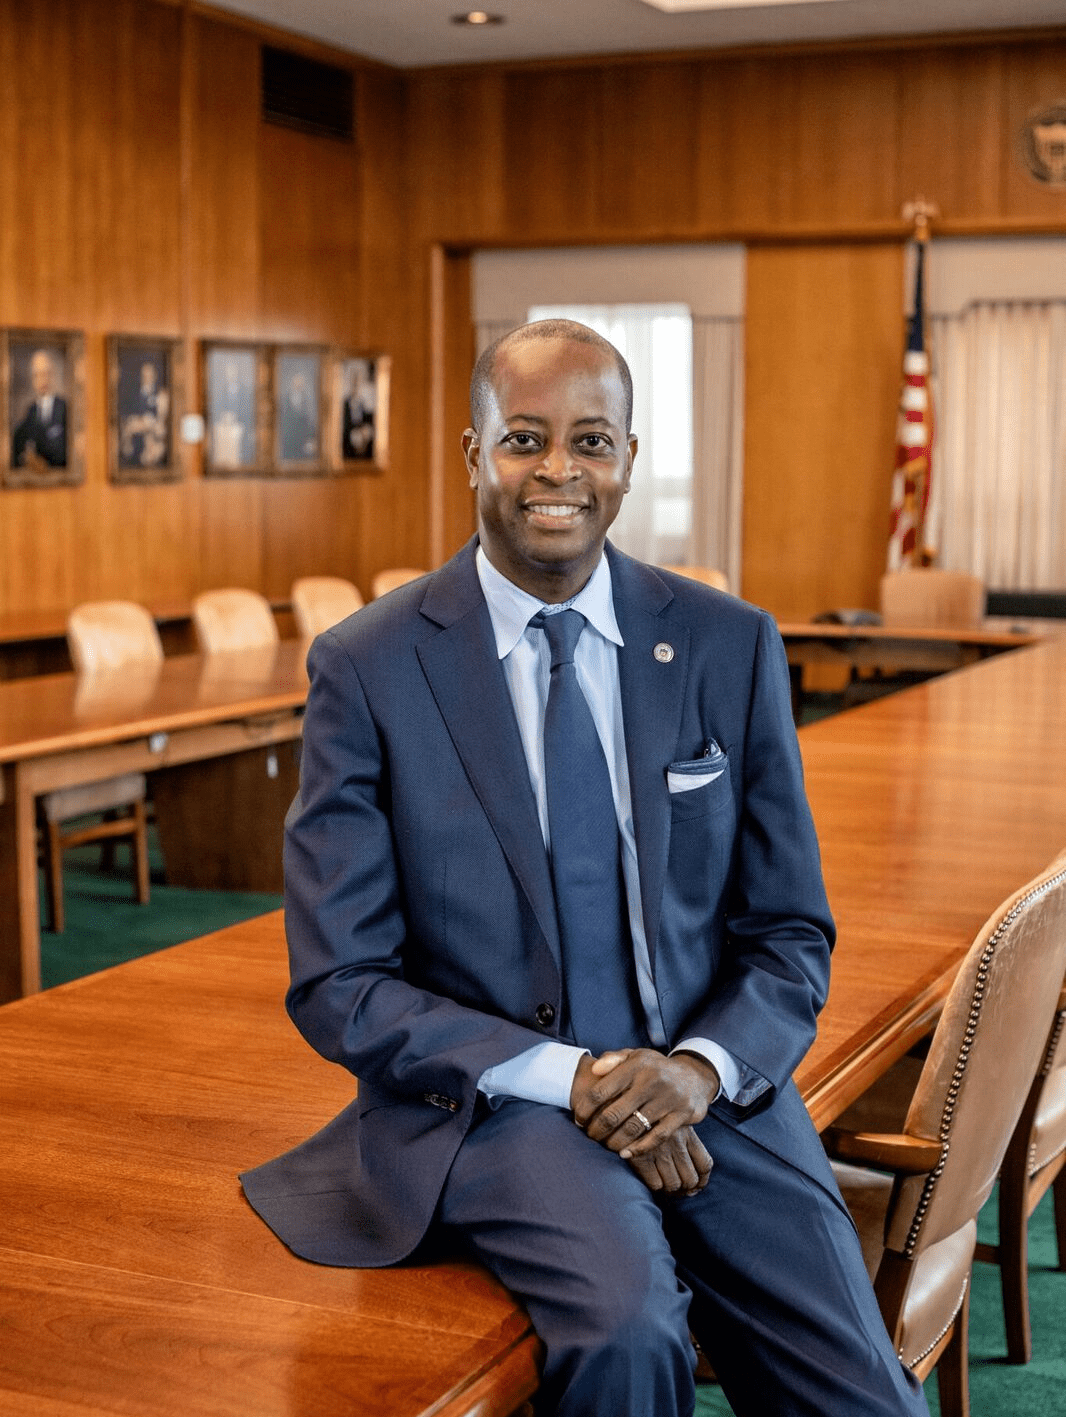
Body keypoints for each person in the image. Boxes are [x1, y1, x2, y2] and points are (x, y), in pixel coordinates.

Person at [241, 319, 929, 1417]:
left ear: (628, 459)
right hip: (500, 1104)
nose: (557, 470)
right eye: (523, 438)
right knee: (626, 1335)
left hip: (714, 1091)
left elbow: (788, 931)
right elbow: (340, 982)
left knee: (861, 1392)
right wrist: (580, 1082)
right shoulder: (368, 668)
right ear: (472, 454)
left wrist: (697, 1070)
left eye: (590, 441)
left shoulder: (726, 643)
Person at [11, 349, 67, 470]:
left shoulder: (65, 408)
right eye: (37, 375)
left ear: (53, 375)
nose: (42, 379)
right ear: (32, 379)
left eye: (46, 373)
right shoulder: (29, 412)